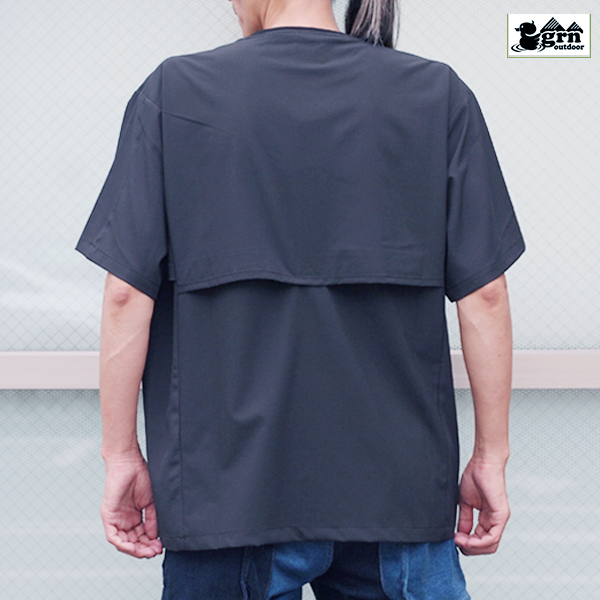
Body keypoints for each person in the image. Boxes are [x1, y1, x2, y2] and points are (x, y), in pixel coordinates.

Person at [76, 0, 525, 597]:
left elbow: (126, 296)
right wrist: (491, 457)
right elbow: (485, 294)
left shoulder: (175, 93)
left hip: (227, 495)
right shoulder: (436, 95)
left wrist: (120, 455)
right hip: (398, 492)